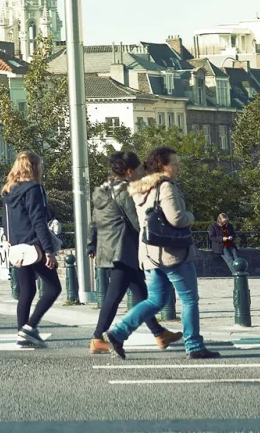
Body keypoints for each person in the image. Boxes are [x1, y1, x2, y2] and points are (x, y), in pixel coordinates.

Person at [103, 146, 220, 360]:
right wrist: (190, 216)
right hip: (172, 253)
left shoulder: (141, 190)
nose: (178, 168)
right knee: (189, 299)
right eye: (174, 164)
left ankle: (118, 332)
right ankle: (194, 345)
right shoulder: (165, 187)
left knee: (155, 300)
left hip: (149, 254)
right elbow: (176, 218)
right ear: (161, 166)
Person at [86, 152, 182, 354]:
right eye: (138, 170)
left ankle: (159, 333)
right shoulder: (125, 191)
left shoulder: (103, 189)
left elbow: (94, 220)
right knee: (114, 296)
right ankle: (97, 337)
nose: (140, 173)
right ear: (129, 171)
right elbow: (137, 220)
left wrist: (91, 244)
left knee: (141, 293)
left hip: (110, 248)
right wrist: (155, 237)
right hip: (123, 249)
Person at [2, 151, 62, 348]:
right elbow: (38, 222)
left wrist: (11, 242)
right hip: (34, 246)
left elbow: (7, 221)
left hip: (17, 247)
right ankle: (30, 327)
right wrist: (48, 251)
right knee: (54, 288)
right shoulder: (34, 189)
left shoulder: (8, 191)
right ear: (34, 167)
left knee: (26, 291)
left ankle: (21, 334)